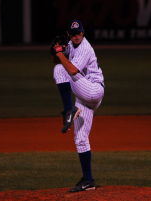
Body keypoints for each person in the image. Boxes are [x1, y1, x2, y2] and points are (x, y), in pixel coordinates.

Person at [50, 19, 105, 192]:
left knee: (60, 70)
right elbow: (61, 52)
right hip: (84, 95)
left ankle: (68, 110)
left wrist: (59, 54)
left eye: (79, 33)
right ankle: (88, 180)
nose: (76, 36)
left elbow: (72, 70)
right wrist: (58, 49)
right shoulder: (71, 44)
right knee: (80, 139)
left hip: (93, 90)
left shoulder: (85, 48)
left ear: (83, 33)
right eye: (73, 34)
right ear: (69, 34)